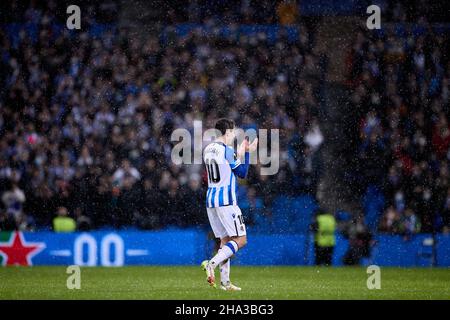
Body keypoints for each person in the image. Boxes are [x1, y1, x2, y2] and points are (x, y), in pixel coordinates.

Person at [201, 118, 258, 291]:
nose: (234, 134)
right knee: (241, 240)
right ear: (227, 132)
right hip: (226, 201)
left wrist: (238, 153)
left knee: (225, 241)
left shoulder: (208, 149)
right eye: (233, 131)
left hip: (211, 200)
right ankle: (212, 263)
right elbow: (242, 173)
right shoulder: (227, 150)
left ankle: (225, 282)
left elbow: (225, 165)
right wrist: (247, 153)